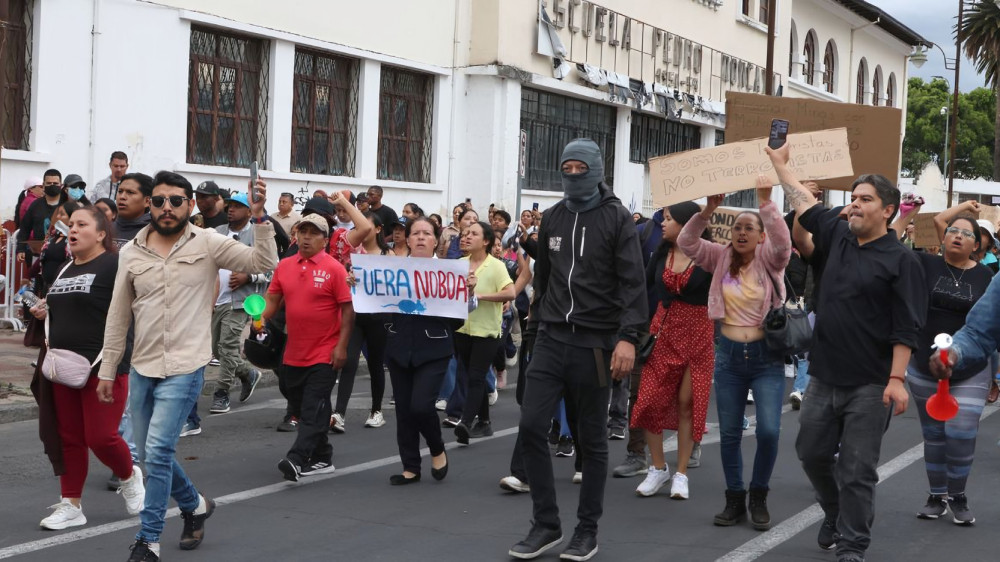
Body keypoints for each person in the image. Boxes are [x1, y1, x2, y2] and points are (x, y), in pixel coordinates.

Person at [98, 171, 277, 561]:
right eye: (159, 201)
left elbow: (263, 261)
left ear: (189, 204)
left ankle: (148, 540)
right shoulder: (131, 253)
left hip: (186, 365)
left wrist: (261, 218)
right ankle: (195, 505)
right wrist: (108, 370)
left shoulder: (210, 243)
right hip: (143, 365)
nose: (167, 208)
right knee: (148, 455)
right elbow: (117, 316)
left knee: (158, 453)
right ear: (151, 205)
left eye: (176, 201)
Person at [767, 143, 926, 562]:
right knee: (811, 454)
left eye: (864, 200)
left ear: (888, 211)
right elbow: (804, 203)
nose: (854, 205)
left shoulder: (901, 261)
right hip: (823, 376)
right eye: (853, 199)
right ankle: (835, 510)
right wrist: (780, 166)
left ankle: (852, 546)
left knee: (857, 470)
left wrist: (896, 380)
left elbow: (906, 327)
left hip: (871, 385)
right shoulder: (836, 233)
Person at [510, 139, 646, 561]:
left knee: (591, 439)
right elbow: (546, 280)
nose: (571, 174)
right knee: (532, 426)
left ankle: (587, 530)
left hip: (596, 343)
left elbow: (632, 284)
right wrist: (536, 325)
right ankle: (546, 523)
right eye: (565, 167)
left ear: (595, 169)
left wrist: (627, 337)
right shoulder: (551, 217)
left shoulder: (617, 219)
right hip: (551, 338)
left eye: (579, 167)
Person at [677, 177, 791, 530]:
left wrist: (765, 203)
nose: (742, 232)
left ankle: (758, 496)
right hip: (727, 356)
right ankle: (734, 498)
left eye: (750, 228)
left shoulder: (770, 259)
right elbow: (686, 241)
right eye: (738, 227)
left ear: (760, 235)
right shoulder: (718, 256)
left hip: (765, 357)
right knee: (728, 434)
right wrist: (707, 210)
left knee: (769, 431)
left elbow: (784, 245)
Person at [29, 206, 145, 530]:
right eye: (72, 225)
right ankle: (71, 505)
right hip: (63, 368)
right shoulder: (65, 267)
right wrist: (43, 311)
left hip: (102, 368)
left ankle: (129, 475)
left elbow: (131, 311)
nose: (73, 230)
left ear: (101, 234)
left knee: (102, 437)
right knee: (69, 438)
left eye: (82, 224)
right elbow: (63, 309)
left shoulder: (114, 264)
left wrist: (119, 360)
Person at [906, 213, 992, 524]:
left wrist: (996, 375)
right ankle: (936, 496)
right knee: (934, 435)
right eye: (952, 230)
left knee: (960, 431)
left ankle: (958, 496)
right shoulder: (924, 265)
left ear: (977, 246)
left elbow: (989, 329)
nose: (956, 236)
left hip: (970, 367)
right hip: (924, 365)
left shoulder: (987, 277)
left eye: (966, 234)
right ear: (942, 236)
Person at [631, 202, 713, 500]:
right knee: (650, 399)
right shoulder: (661, 253)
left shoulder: (708, 255)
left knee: (686, 402)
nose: (662, 224)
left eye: (668, 219)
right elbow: (645, 290)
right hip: (663, 331)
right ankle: (657, 468)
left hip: (698, 332)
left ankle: (681, 474)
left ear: (686, 223)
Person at [262, 215, 354, 481]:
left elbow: (348, 313)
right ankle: (323, 456)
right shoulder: (286, 265)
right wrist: (258, 319)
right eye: (302, 232)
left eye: (313, 233)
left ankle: (297, 458)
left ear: (325, 240)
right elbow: (272, 302)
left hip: (325, 352)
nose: (306, 237)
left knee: (313, 406)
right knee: (304, 408)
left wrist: (342, 347)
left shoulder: (335, 269)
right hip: (294, 352)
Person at [385, 216, 455, 484]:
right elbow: (376, 300)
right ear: (408, 239)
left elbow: (463, 312)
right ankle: (411, 466)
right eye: (416, 233)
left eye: (427, 233)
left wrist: (468, 292)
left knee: (421, 406)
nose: (421, 237)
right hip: (399, 346)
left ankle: (436, 447)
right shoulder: (391, 270)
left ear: (436, 240)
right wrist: (357, 284)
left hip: (434, 347)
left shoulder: (450, 272)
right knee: (403, 409)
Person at [452, 221, 515, 445]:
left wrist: (479, 295)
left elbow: (511, 292)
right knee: (470, 375)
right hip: (462, 328)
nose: (467, 237)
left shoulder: (496, 266)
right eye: (466, 233)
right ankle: (485, 423)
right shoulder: (459, 264)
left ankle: (466, 422)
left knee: (477, 376)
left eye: (474, 234)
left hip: (487, 331)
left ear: (486, 241)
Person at [207, 192, 269, 414]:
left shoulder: (256, 234)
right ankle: (247, 373)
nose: (231, 209)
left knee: (228, 346)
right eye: (229, 206)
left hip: (242, 301)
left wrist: (248, 277)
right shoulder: (218, 232)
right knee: (217, 349)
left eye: (237, 206)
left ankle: (221, 393)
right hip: (218, 298)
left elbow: (272, 270)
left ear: (249, 211)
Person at [17, 169, 65, 262]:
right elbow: (24, 229)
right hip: (39, 256)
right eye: (49, 183)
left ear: (61, 185)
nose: (52, 186)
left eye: (55, 183)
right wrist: (21, 249)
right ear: (43, 185)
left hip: (63, 257)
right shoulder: (35, 205)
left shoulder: (67, 205)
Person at [112, 173, 153, 249]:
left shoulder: (153, 232)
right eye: (120, 191)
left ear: (147, 201)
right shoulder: (105, 229)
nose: (122, 197)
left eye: (130, 192)